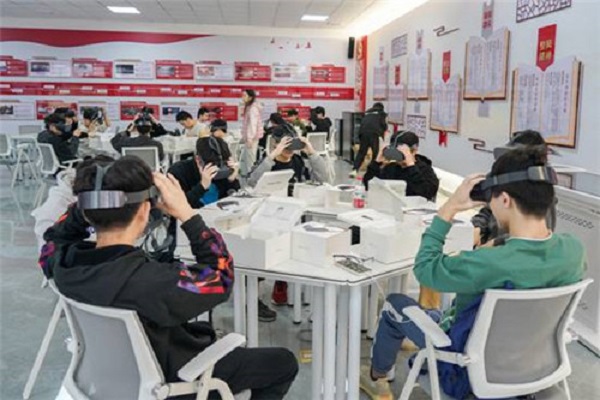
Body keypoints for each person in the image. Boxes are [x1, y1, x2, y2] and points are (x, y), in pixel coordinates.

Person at [40, 156, 298, 399]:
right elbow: (221, 276)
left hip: (107, 377)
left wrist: (90, 203)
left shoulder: (62, 264)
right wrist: (187, 213)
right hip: (170, 380)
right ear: (144, 211)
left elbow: (53, 237)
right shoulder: (153, 282)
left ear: (85, 211)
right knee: (283, 363)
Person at [359, 147, 586, 400]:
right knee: (437, 313)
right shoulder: (573, 251)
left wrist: (450, 208)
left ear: (505, 200)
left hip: (465, 366)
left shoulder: (487, 262)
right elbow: (530, 258)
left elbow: (425, 269)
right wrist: (500, 243)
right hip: (534, 365)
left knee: (395, 304)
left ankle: (377, 377)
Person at [248, 126, 330, 306]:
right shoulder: (266, 162)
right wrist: (272, 155)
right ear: (276, 144)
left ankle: (283, 281)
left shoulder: (298, 161)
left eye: (293, 146)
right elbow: (252, 182)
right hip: (268, 214)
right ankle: (257, 290)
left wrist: (311, 152)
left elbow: (324, 179)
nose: (290, 151)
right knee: (264, 248)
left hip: (295, 212)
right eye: (286, 146)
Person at [472, 130, 555, 247]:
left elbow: (534, 234)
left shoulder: (540, 193)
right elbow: (489, 209)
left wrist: (494, 244)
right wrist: (479, 227)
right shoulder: (507, 182)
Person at [363, 131, 439, 201]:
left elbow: (427, 194)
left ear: (414, 151)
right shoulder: (391, 168)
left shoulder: (425, 170)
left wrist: (410, 165)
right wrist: (377, 162)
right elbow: (368, 186)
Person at [350, 102, 388, 178]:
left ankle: (354, 170)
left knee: (361, 152)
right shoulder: (382, 114)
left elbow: (363, 123)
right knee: (376, 153)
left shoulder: (367, 112)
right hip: (374, 134)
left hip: (363, 133)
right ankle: (373, 171)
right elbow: (384, 126)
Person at [240, 89, 264, 176]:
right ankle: (247, 175)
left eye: (244, 96)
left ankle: (250, 177)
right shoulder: (249, 107)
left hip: (252, 138)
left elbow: (252, 124)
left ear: (250, 97)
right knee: (247, 159)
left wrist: (250, 138)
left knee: (250, 160)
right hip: (250, 138)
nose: (242, 97)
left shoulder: (253, 108)